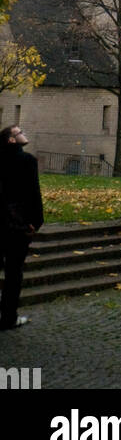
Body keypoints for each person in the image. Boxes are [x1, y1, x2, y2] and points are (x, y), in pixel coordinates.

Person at [0, 125, 44, 329]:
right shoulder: (27, 161)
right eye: (19, 132)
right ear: (11, 140)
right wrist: (36, 222)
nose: (23, 134)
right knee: (13, 273)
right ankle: (9, 317)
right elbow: (33, 194)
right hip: (17, 225)